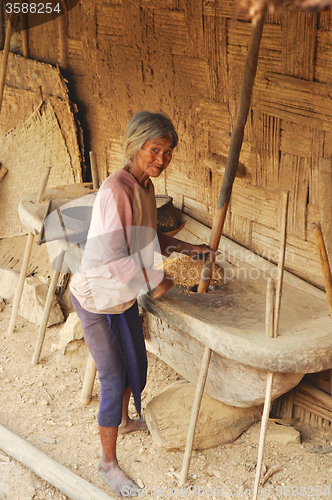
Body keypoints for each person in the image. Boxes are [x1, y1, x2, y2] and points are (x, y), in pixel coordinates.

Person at [69, 110, 216, 497]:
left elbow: (150, 239)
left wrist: (190, 249)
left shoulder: (145, 187)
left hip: (122, 296)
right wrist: (160, 282)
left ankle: (124, 420)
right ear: (135, 145)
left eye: (168, 153)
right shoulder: (117, 189)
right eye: (155, 149)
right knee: (114, 377)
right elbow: (115, 258)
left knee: (136, 363)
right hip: (98, 297)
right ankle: (107, 463)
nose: (162, 159)